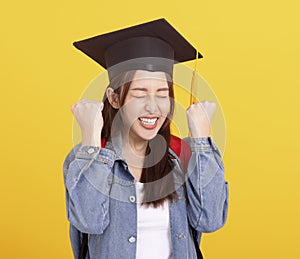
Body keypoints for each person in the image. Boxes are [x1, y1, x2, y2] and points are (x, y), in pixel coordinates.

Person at [63, 18, 228, 259]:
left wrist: (202, 139)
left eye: (163, 94)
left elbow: (210, 220)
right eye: (140, 94)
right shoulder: (87, 158)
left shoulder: (181, 157)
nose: (153, 107)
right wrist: (91, 138)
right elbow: (89, 222)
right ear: (114, 98)